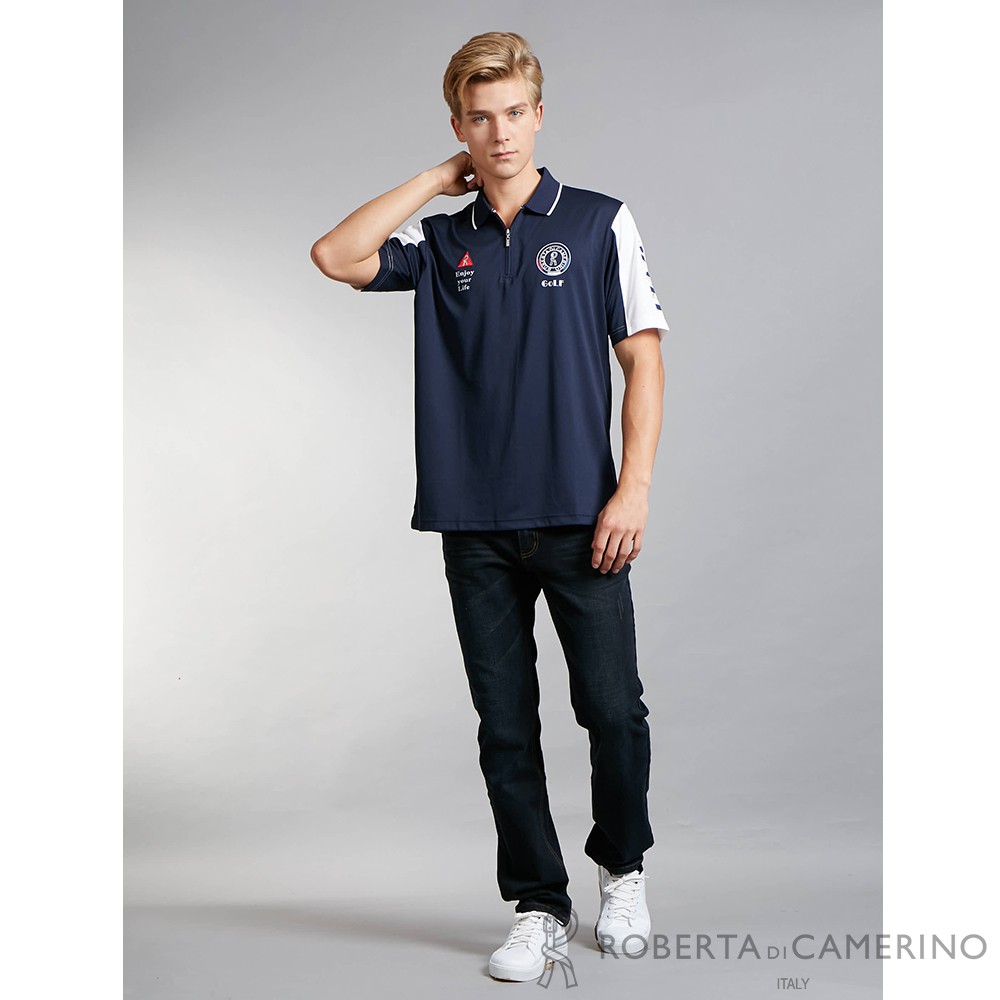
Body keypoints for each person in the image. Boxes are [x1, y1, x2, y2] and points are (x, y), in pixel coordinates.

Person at [310, 30, 668, 982]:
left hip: (583, 515)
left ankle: (623, 869)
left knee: (612, 710)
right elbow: (335, 255)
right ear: (459, 126)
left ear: (539, 115)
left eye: (514, 113)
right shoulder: (440, 243)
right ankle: (539, 904)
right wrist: (437, 181)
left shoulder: (598, 223)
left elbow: (642, 359)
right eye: (480, 118)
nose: (500, 134)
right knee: (505, 726)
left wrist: (632, 488)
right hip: (472, 523)